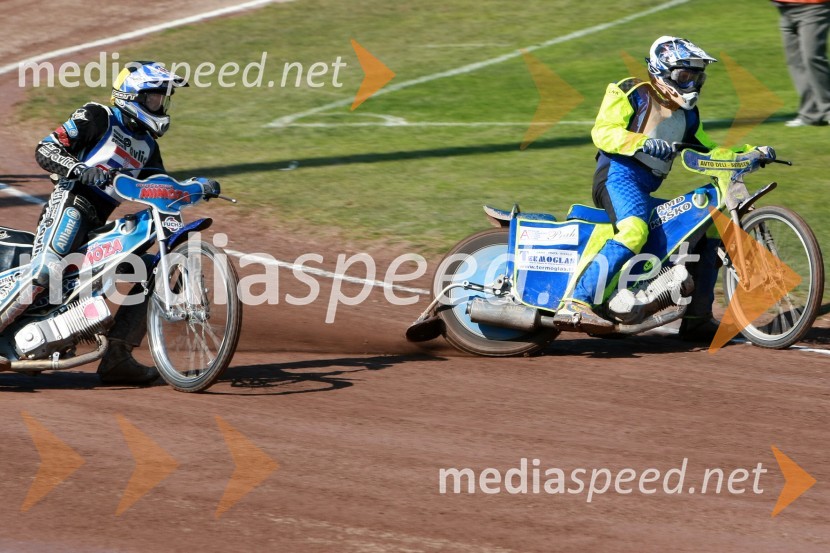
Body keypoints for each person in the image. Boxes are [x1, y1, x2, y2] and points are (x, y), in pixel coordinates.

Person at [554, 36, 775, 341]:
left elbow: (710, 152)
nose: (692, 84)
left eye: (697, 77)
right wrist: (642, 142)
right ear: (662, 71)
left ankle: (697, 319)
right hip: (617, 177)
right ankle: (574, 302)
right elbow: (603, 132)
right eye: (685, 76)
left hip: (644, 187)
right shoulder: (631, 91)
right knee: (634, 230)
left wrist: (751, 154)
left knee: (706, 228)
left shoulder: (689, 116)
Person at [0, 61, 188, 383]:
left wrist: (198, 187)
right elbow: (46, 148)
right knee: (47, 269)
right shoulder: (98, 116)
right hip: (71, 202)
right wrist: (78, 169)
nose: (160, 104)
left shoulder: (148, 147)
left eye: (162, 99)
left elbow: (161, 187)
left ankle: (117, 357)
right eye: (154, 98)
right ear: (132, 96)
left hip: (100, 222)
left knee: (154, 271)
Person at [773, 0, 830, 127]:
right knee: (795, 61)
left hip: (813, 7)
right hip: (785, 9)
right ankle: (811, 114)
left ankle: (828, 109)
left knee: (813, 57)